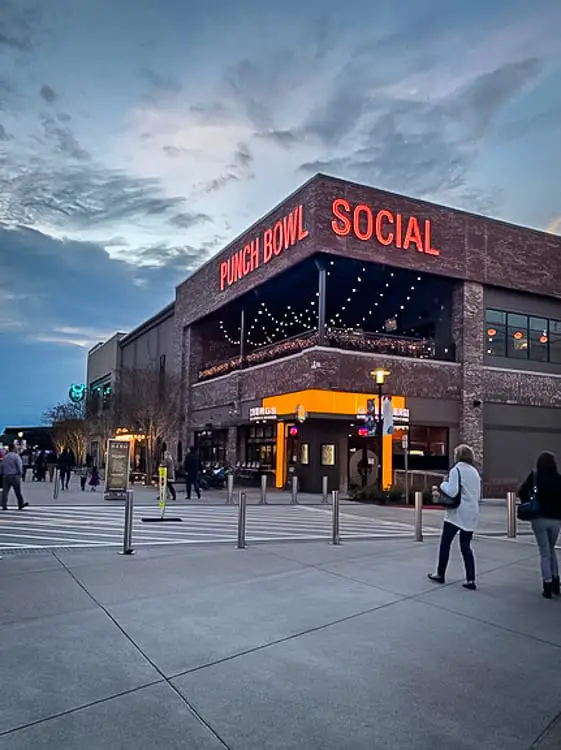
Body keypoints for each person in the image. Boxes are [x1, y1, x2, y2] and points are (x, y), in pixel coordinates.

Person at [428, 444, 481, 590]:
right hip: (471, 512)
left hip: (457, 513)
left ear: (458, 456)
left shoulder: (456, 469)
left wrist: (443, 484)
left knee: (445, 543)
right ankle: (471, 579)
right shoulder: (474, 472)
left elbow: (452, 491)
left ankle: (440, 573)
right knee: (466, 547)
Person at [518, 451, 561, 599]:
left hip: (539, 517)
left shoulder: (535, 477)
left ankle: (547, 584)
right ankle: (556, 581)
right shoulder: (558, 479)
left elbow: (521, 491)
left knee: (544, 551)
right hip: (556, 518)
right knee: (551, 548)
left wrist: (528, 500)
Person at [1, 444, 29, 511]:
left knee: (5, 492)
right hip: (14, 476)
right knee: (18, 491)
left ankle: (4, 505)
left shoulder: (5, 457)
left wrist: (2, 473)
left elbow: (2, 466)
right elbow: (19, 466)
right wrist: (20, 473)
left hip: (6, 476)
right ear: (13, 448)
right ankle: (20, 504)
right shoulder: (16, 457)